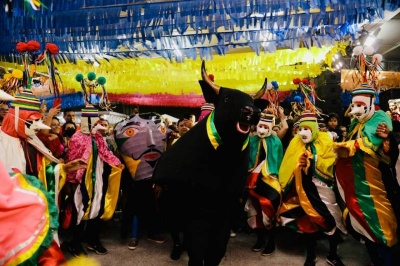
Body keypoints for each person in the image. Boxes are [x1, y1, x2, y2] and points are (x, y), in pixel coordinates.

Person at [334, 85, 400, 266]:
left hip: (377, 187)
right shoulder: (356, 125)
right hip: (357, 187)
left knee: (382, 227)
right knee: (365, 227)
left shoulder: (379, 122)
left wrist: (387, 139)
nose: (354, 110)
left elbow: (389, 156)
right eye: (353, 105)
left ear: (371, 105)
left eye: (359, 105)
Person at [277, 110, 346, 266]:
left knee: (332, 219)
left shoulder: (325, 140)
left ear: (314, 128)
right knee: (308, 223)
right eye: (300, 129)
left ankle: (333, 254)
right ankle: (311, 255)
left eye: (306, 129)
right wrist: (298, 165)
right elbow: (287, 164)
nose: (302, 133)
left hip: (323, 188)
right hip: (303, 190)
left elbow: (330, 161)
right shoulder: (295, 142)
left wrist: (313, 159)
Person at [66, 104, 124, 257]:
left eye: (95, 119)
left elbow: (105, 153)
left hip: (98, 178)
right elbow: (73, 160)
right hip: (82, 180)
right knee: (80, 208)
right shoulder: (77, 137)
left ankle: (93, 239)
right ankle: (75, 242)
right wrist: (72, 182)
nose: (94, 122)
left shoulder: (99, 137)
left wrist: (118, 163)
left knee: (97, 207)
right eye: (90, 119)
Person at [114, 112, 166, 251]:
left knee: (152, 206)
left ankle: (151, 232)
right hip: (133, 181)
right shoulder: (122, 154)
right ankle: (134, 235)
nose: (151, 142)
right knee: (134, 207)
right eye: (130, 132)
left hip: (152, 179)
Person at [245, 112, 283, 256]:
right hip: (253, 181)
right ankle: (260, 240)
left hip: (270, 181)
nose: (261, 130)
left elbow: (278, 161)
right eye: (259, 126)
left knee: (269, 211)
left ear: (270, 127)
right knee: (255, 212)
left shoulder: (276, 142)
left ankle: (271, 242)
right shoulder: (252, 140)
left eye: (265, 127)